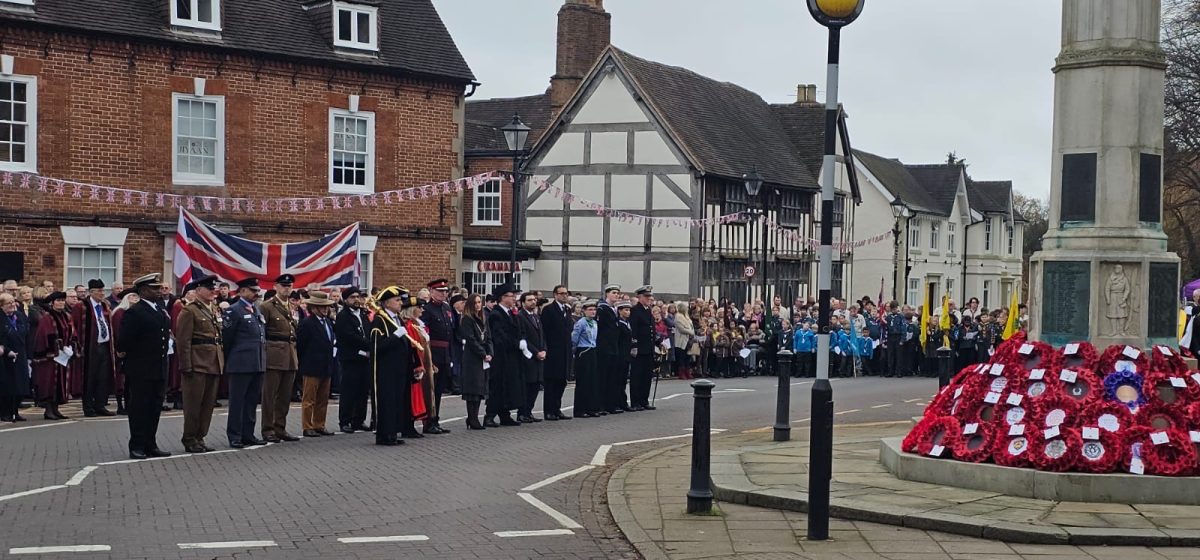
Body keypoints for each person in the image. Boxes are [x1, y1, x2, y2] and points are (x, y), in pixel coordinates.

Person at [117, 274, 172, 459]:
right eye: (154, 288)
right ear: (143, 290)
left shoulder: (159, 309)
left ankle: (150, 443)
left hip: (159, 366)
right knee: (139, 408)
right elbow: (124, 341)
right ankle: (137, 445)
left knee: (154, 407)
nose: (159, 291)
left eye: (159, 288)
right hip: (141, 368)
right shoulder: (135, 312)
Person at [174, 275, 224, 453]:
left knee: (208, 404)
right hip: (197, 363)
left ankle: (200, 436)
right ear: (198, 290)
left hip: (213, 362)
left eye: (213, 289)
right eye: (209, 289)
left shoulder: (214, 309)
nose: (212, 292)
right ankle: (189, 438)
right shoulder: (190, 311)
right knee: (194, 404)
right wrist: (186, 365)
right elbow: (183, 340)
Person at [223, 278, 267, 448]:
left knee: (251, 401)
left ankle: (248, 434)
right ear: (242, 291)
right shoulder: (234, 310)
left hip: (257, 362)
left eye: (257, 291)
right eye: (252, 290)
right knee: (237, 402)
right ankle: (235, 435)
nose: (256, 294)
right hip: (240, 363)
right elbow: (228, 339)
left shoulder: (256, 309)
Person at [368, 286, 415, 446]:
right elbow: (376, 346)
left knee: (397, 400)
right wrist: (395, 336)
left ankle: (393, 432)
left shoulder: (397, 319)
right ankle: (384, 434)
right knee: (387, 400)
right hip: (386, 369)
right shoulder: (380, 320)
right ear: (387, 303)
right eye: (397, 300)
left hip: (399, 367)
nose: (400, 303)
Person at [260, 274, 300, 443]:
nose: (287, 288)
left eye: (289, 286)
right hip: (274, 354)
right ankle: (268, 429)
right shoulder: (267, 306)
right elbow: (262, 332)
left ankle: (280, 427)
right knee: (270, 395)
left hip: (290, 354)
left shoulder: (291, 306)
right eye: (283, 285)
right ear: (276, 287)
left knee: (285, 395)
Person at [296, 291, 338, 438]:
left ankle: (319, 424)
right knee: (309, 399)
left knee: (323, 399)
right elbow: (300, 346)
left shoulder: (328, 322)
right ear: (313, 308)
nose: (326, 309)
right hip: (311, 366)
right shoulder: (307, 323)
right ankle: (307, 426)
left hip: (326, 365)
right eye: (322, 307)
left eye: (327, 307)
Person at [72, 279, 116, 417]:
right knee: (90, 378)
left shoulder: (104, 305)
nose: (102, 293)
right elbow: (75, 325)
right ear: (91, 292)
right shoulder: (81, 306)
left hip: (105, 346)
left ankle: (100, 405)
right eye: (99, 291)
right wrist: (77, 345)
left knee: (103, 378)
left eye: (103, 291)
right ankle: (88, 407)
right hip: (90, 347)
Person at [485, 284, 524, 427]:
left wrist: (521, 341)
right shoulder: (496, 314)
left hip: (510, 355)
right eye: (511, 296)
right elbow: (500, 336)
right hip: (500, 356)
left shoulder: (510, 313)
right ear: (502, 298)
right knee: (497, 386)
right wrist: (516, 343)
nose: (514, 299)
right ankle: (489, 415)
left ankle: (505, 414)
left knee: (508, 386)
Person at [419, 278, 454, 435]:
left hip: (445, 353)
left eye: (445, 291)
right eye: (440, 291)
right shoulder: (427, 310)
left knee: (439, 389)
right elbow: (424, 334)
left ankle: (435, 419)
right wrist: (429, 358)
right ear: (431, 291)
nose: (443, 294)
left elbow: (450, 333)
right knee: (431, 389)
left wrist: (451, 356)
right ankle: (428, 421)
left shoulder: (446, 308)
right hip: (433, 352)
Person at [335, 287, 372, 434]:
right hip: (351, 358)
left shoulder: (363, 314)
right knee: (349, 391)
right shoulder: (343, 316)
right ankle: (345, 420)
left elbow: (368, 331)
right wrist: (368, 344)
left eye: (358, 297)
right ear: (345, 300)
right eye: (352, 297)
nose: (356, 300)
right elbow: (349, 336)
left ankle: (358, 420)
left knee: (363, 391)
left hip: (365, 359)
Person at [31, 291, 73, 420]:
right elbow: (44, 335)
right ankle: (48, 410)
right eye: (58, 301)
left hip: (63, 356)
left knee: (60, 382)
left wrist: (71, 344)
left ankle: (56, 409)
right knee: (49, 383)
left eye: (62, 300)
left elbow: (72, 332)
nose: (61, 303)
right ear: (52, 303)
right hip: (50, 357)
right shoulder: (47, 317)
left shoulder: (66, 316)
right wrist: (56, 347)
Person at [539, 285, 573, 421]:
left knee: (561, 382)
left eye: (566, 293)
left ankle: (557, 409)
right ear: (555, 295)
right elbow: (545, 331)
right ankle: (549, 411)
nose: (565, 296)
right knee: (551, 382)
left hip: (565, 351)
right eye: (562, 293)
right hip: (553, 351)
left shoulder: (567, 310)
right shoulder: (549, 310)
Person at [458, 293, 492, 430]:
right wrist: (483, 353)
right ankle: (472, 418)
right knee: (472, 389)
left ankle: (475, 417)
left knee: (480, 389)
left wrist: (490, 353)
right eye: (475, 303)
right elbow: (471, 339)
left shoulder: (484, 318)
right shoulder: (467, 319)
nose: (478, 305)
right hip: (472, 357)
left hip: (483, 357)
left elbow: (488, 337)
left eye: (479, 302)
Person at [515, 291, 546, 423]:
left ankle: (529, 411)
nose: (533, 302)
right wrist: (536, 352)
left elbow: (542, 335)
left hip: (539, 356)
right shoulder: (520, 316)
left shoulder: (536, 316)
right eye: (529, 300)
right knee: (527, 385)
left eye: (534, 300)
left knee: (535, 385)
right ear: (523, 303)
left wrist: (544, 350)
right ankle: (522, 413)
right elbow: (524, 337)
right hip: (528, 356)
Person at [0, 293, 31, 422]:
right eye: (8, 303)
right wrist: (7, 351)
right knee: (7, 387)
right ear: (1, 305)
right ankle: (5, 413)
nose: (12, 305)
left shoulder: (19, 316)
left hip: (20, 353)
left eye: (13, 302)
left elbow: (27, 332)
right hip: (5, 356)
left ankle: (15, 411)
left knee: (20, 385)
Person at [595, 284, 624, 415]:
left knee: (612, 377)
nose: (616, 295)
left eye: (617, 293)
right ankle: (600, 405)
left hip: (613, 347)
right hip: (604, 347)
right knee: (602, 377)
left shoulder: (614, 309)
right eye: (613, 293)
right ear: (607, 294)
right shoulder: (602, 308)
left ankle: (610, 404)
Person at [629, 286, 657, 411]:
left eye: (650, 296)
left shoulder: (648, 311)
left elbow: (651, 329)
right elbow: (634, 329)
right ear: (639, 297)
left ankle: (644, 400)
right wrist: (634, 345)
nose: (649, 298)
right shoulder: (635, 310)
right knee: (637, 376)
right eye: (646, 296)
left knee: (647, 376)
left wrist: (658, 343)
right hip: (639, 349)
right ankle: (635, 402)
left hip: (649, 348)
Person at [571, 301, 600, 418]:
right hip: (583, 351)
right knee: (583, 381)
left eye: (594, 310)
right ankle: (580, 409)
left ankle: (591, 407)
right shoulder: (581, 323)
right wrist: (575, 351)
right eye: (590, 310)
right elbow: (574, 338)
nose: (593, 312)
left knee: (592, 381)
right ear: (584, 311)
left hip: (592, 350)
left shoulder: (594, 322)